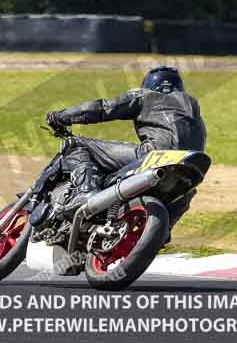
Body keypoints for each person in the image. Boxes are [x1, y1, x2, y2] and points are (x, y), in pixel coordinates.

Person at [45, 66, 206, 226]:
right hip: (187, 172)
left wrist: (60, 116)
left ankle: (87, 192)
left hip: (155, 155)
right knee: (187, 193)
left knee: (76, 144)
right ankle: (163, 233)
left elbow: (102, 108)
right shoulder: (194, 111)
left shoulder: (146, 95)